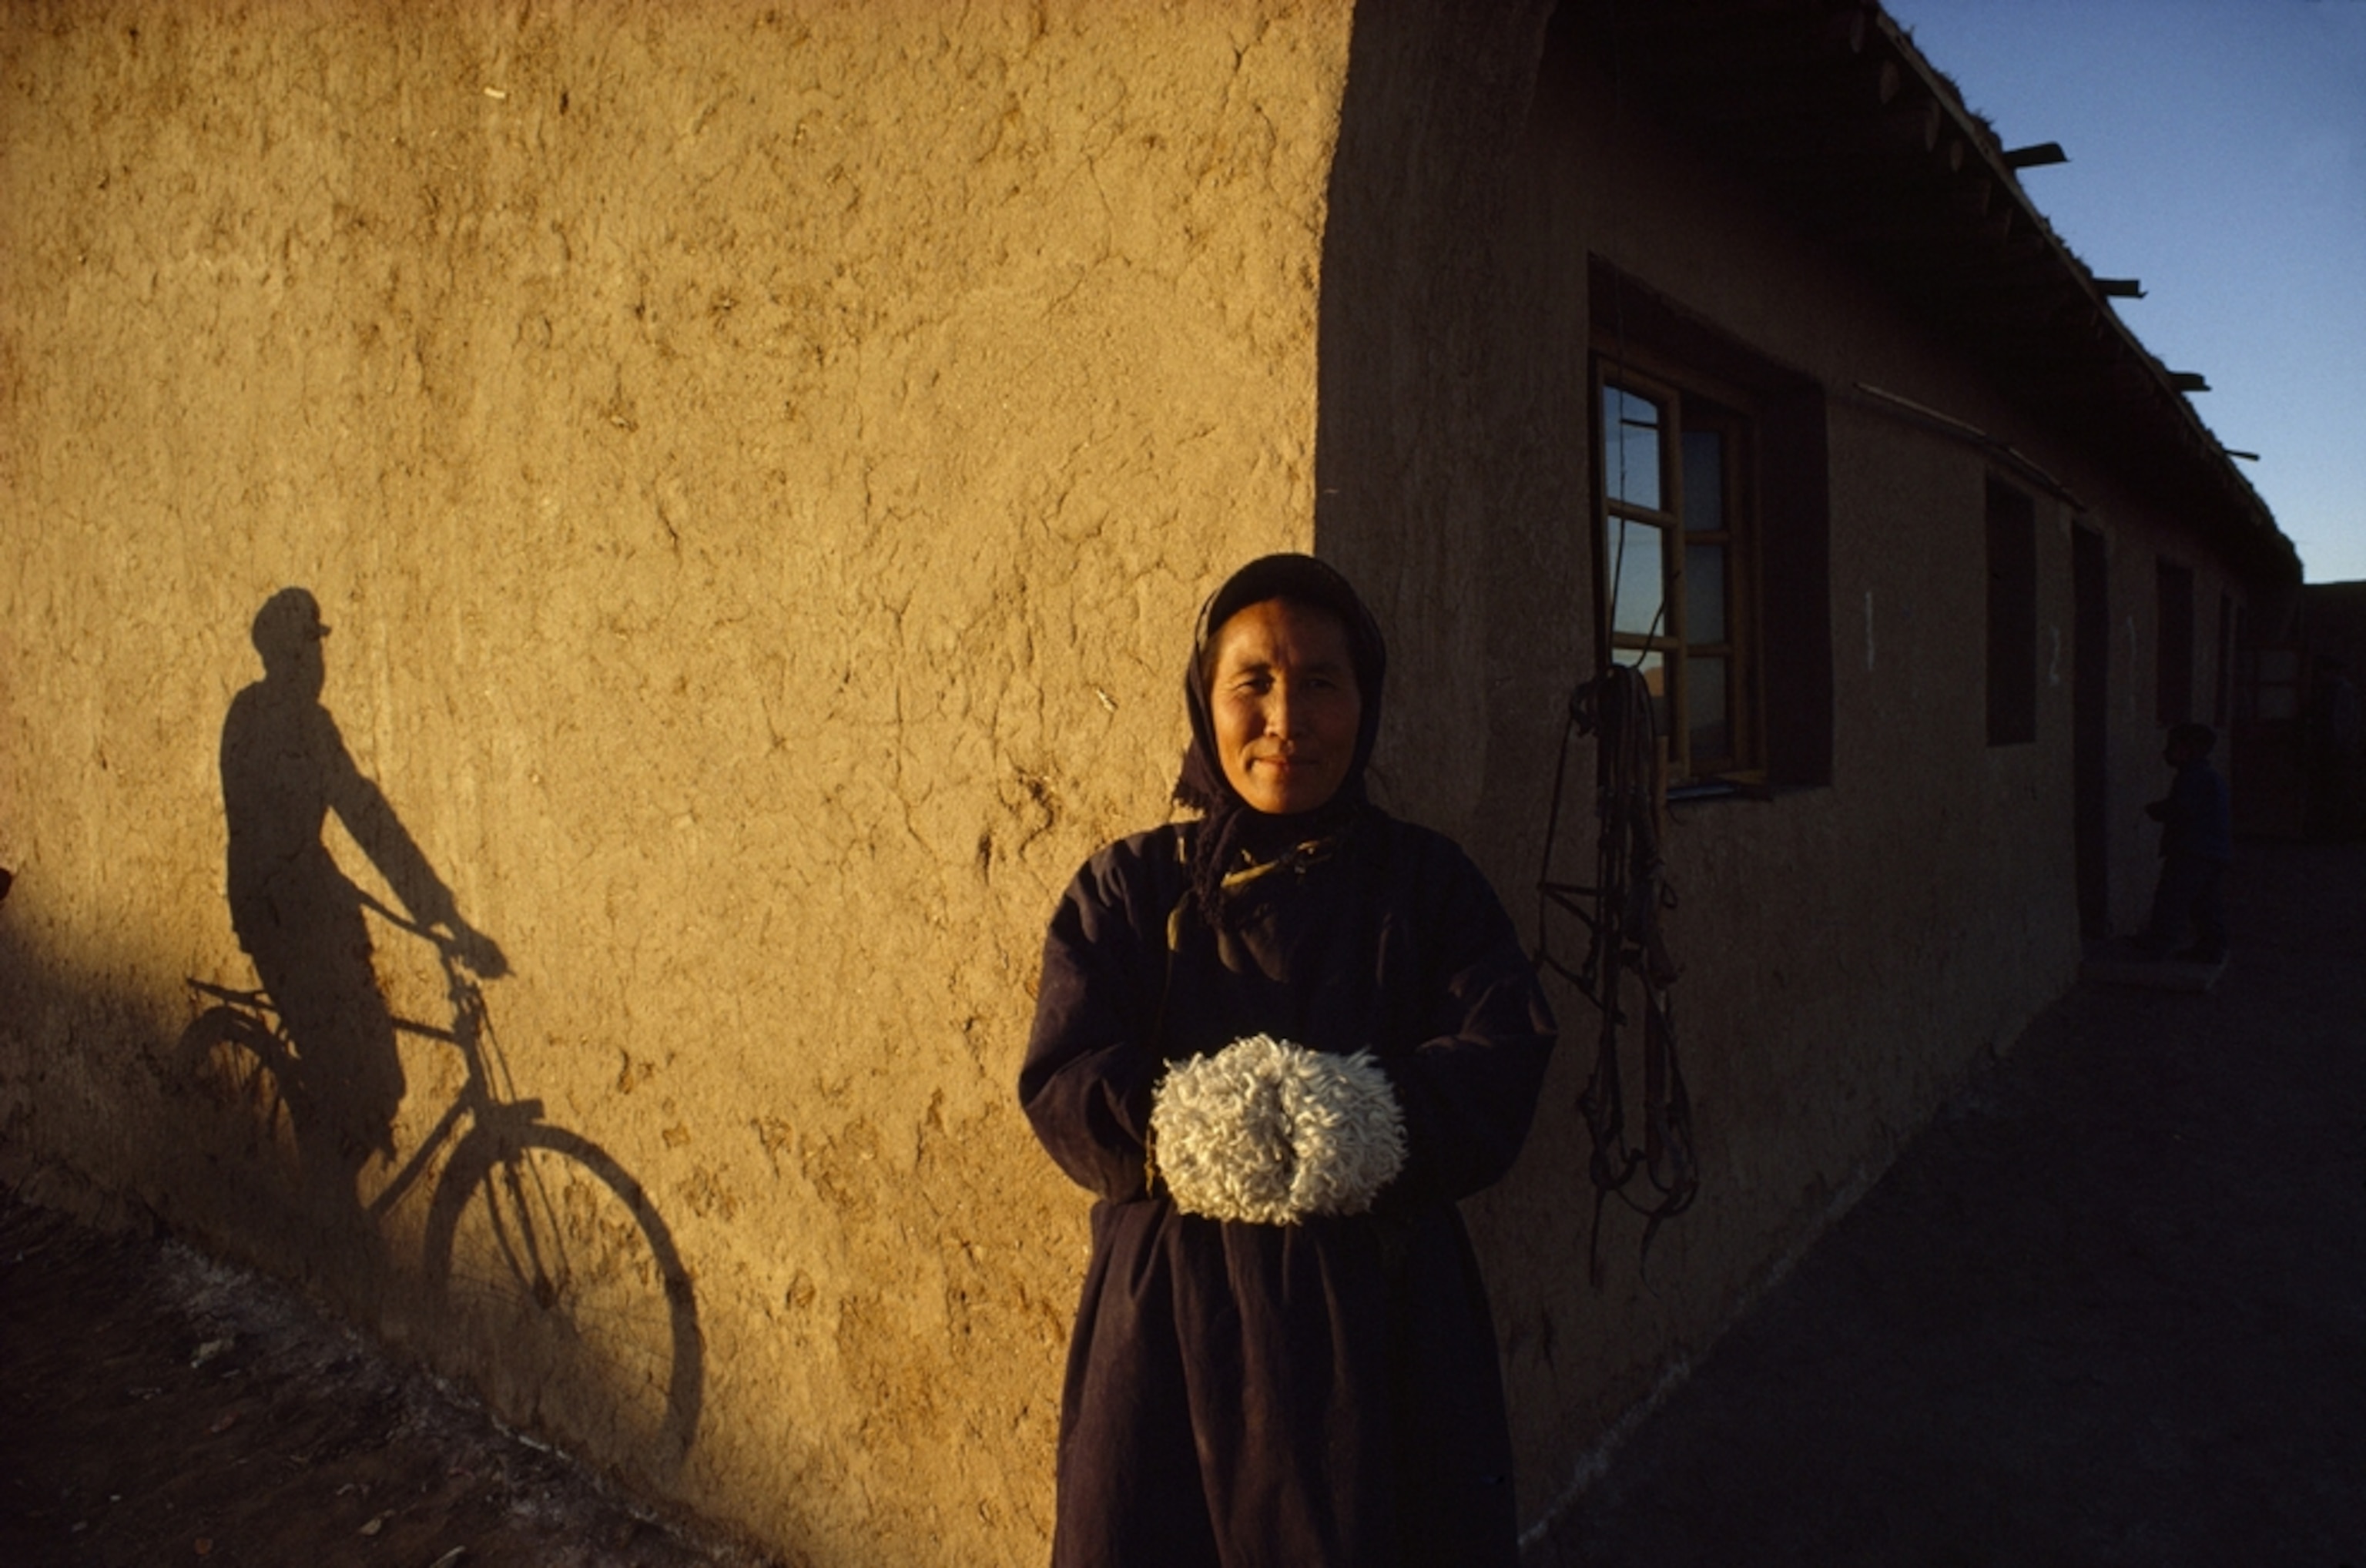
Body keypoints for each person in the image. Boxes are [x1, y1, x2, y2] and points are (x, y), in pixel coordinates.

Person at [1019, 554, 1557, 1567]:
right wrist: (1190, 1129)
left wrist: (1361, 1121)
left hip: (1386, 1328)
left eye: (1321, 683)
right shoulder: (1130, 890)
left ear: (1366, 702)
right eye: (1253, 684)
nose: (1286, 721)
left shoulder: (1430, 886)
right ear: (1205, 701)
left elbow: (1503, 1055)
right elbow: (1065, 1076)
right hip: (1170, 1333)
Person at [2136, 720, 2233, 963]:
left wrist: (2158, 810)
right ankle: (2212, 948)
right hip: (2213, 851)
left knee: (2172, 900)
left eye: (2173, 746)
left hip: (2192, 850)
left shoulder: (2193, 778)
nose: (2166, 752)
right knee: (2206, 904)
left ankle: (2158, 947)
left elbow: (2183, 810)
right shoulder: (2208, 777)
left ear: (2189, 749)